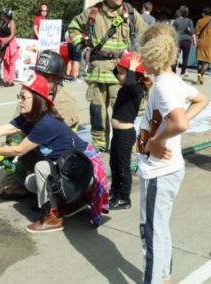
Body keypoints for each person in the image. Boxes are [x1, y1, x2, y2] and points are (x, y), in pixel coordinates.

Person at [0, 73, 108, 233]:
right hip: (69, 170)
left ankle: (53, 218)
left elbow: (19, 149)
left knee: (41, 168)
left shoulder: (46, 123)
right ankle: (71, 203)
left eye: (24, 97)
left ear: (37, 99)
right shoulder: (29, 118)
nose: (19, 101)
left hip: (84, 173)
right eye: (20, 96)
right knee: (31, 183)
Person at [136, 23, 208, 284]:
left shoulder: (165, 86)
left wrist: (156, 140)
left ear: (152, 54)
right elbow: (202, 99)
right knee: (159, 228)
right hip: (167, 170)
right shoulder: (172, 81)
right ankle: (164, 277)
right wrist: (167, 133)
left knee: (150, 233)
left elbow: (181, 122)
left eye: (142, 51)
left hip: (158, 172)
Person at [0, 50, 80, 200]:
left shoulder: (64, 102)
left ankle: (47, 196)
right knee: (5, 191)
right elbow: (15, 126)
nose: (41, 80)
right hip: (30, 155)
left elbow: (53, 140)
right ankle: (34, 184)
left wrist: (15, 149)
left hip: (56, 160)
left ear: (58, 79)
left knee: (46, 191)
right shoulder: (31, 94)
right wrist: (9, 148)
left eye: (46, 77)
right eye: (39, 75)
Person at [68, 0, 148, 153]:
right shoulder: (93, 12)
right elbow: (73, 27)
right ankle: (99, 143)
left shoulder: (130, 13)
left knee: (123, 111)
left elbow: (147, 34)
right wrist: (82, 48)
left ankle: (125, 144)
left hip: (121, 71)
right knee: (97, 110)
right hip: (98, 69)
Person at [109, 52, 152, 210]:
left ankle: (124, 197)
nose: (118, 76)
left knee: (123, 166)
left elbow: (129, 83)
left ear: (133, 75)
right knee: (114, 163)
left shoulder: (136, 89)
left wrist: (132, 68)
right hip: (117, 134)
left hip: (125, 135)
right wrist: (119, 64)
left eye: (121, 73)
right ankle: (115, 191)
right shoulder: (125, 88)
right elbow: (123, 78)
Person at [0, 8, 19, 87]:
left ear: (6, 15)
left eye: (2, 13)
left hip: (9, 43)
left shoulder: (12, 22)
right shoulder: (3, 23)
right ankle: (5, 80)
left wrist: (6, 41)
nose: (1, 15)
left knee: (11, 62)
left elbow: (12, 34)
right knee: (5, 62)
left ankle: (11, 81)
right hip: (2, 44)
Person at [172, 6, 196, 77]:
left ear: (180, 12)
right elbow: (192, 31)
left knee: (175, 57)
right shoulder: (189, 20)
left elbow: (173, 31)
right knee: (185, 58)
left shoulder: (176, 20)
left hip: (178, 40)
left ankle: (173, 72)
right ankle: (183, 73)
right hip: (187, 41)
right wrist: (194, 41)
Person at [195, 6, 211, 85]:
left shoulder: (199, 21)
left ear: (204, 14)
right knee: (208, 62)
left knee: (200, 61)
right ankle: (201, 74)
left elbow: (197, 33)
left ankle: (199, 78)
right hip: (209, 43)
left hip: (201, 42)